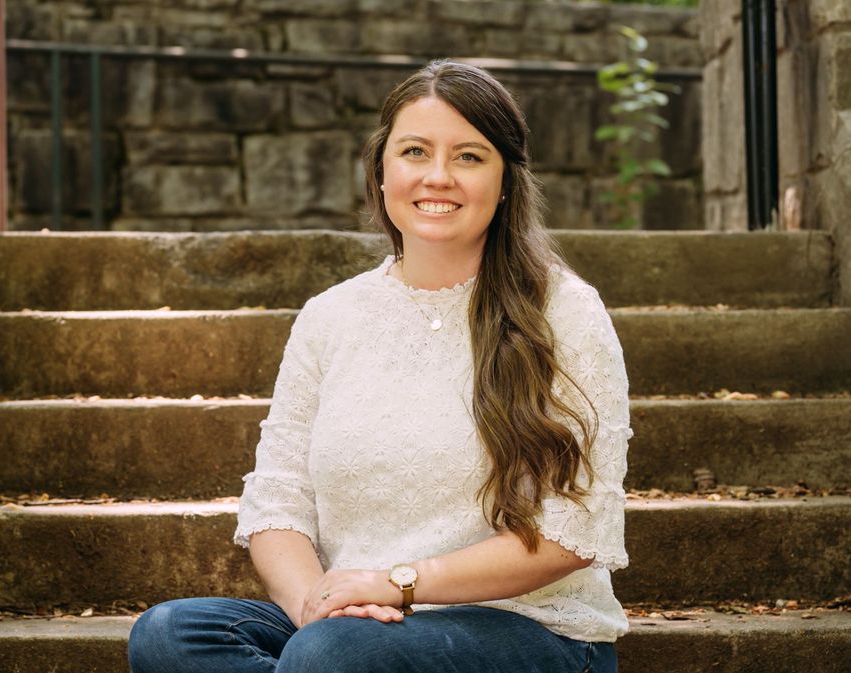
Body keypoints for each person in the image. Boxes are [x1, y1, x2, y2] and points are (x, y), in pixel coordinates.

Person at [128, 59, 632, 673]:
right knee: (169, 634)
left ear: (505, 183)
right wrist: (316, 605)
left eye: (469, 157)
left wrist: (398, 582)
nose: (438, 177)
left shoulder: (561, 311)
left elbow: (572, 535)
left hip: (529, 630)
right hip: (356, 627)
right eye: (415, 151)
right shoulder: (330, 316)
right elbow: (279, 503)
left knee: (332, 658)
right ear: (382, 169)